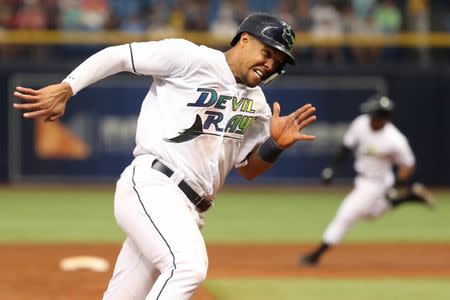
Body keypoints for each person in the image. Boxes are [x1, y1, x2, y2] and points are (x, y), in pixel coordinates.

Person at [13, 13, 317, 299]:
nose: (270, 64)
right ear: (245, 39)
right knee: (188, 268)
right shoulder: (191, 57)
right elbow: (118, 55)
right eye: (267, 52)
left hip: (190, 209)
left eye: (277, 61)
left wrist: (274, 145)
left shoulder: (259, 105)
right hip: (155, 185)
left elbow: (248, 169)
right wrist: (68, 87)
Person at [300, 95, 435, 267]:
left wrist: (396, 186)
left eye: (374, 115)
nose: (369, 117)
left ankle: (316, 255)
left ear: (383, 118)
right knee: (372, 214)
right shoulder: (361, 123)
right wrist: (332, 168)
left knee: (345, 215)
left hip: (378, 183)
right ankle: (412, 195)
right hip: (363, 180)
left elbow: (408, 165)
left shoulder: (395, 140)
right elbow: (346, 147)